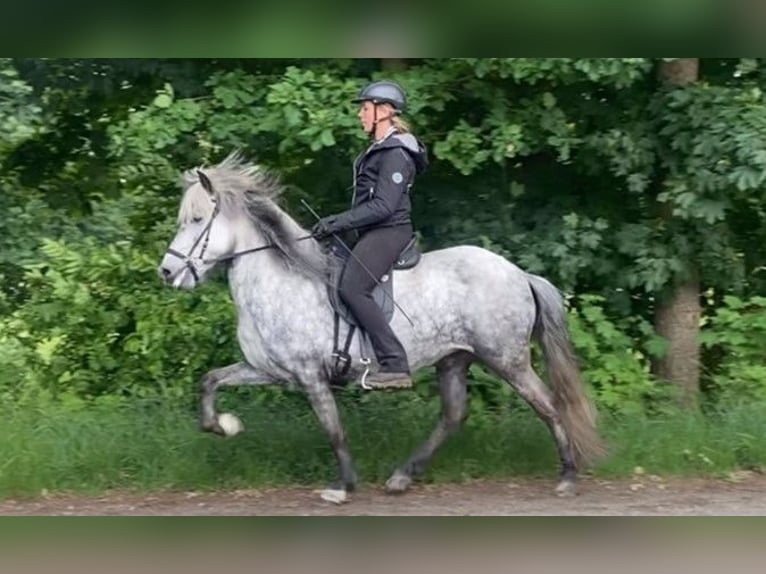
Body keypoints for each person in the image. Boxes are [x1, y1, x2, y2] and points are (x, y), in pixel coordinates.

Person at [311, 79, 428, 389]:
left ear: (385, 111)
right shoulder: (377, 149)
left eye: (365, 109)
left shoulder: (396, 152)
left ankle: (394, 363)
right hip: (371, 230)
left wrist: (337, 222)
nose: (360, 115)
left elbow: (384, 206)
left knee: (352, 287)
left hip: (390, 231)